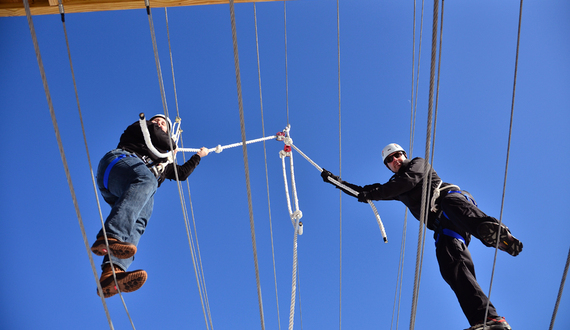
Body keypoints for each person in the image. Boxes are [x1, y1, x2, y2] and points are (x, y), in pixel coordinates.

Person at [321, 143, 522, 330]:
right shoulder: (394, 186)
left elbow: (406, 182)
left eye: (398, 155)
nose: (396, 160)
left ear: (404, 155)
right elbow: (363, 191)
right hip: (444, 228)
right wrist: (335, 181)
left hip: (452, 204)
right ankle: (488, 320)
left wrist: (371, 194)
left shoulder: (418, 164)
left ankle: (493, 232)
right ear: (388, 166)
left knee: (451, 205)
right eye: (390, 160)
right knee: (451, 267)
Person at [91, 114, 209, 298]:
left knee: (142, 217)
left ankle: (112, 273)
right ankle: (111, 235)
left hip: (125, 189)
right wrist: (172, 146)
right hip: (117, 165)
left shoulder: (164, 161)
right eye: (158, 121)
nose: (159, 123)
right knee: (148, 180)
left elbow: (182, 174)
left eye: (164, 123)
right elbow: (160, 138)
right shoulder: (143, 127)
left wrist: (198, 156)